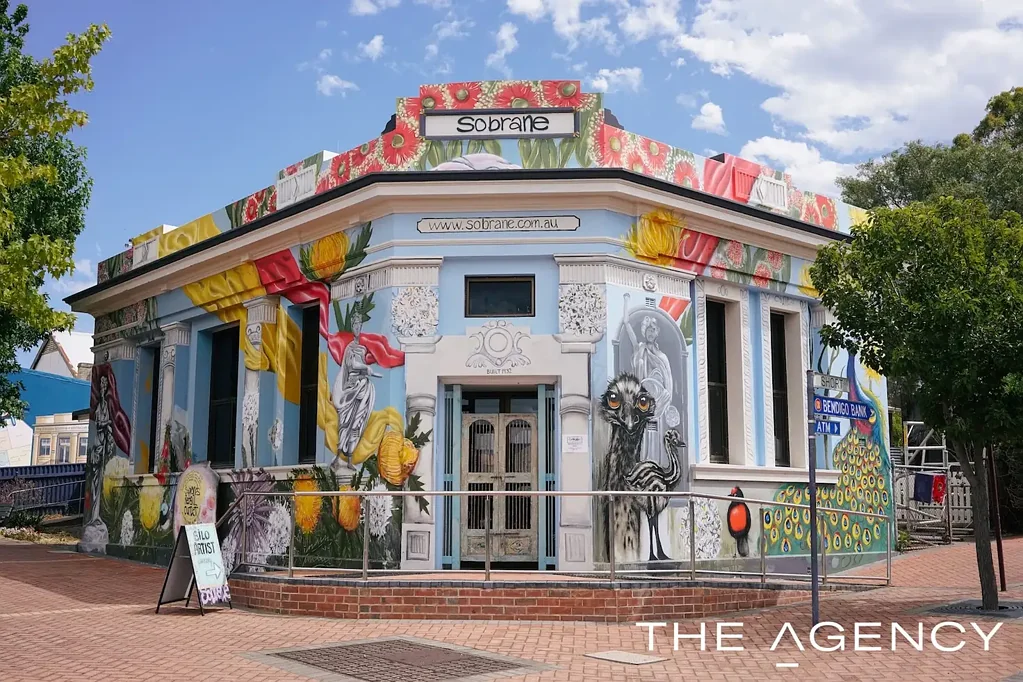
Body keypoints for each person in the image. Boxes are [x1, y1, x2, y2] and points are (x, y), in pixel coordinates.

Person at [622, 294, 675, 464]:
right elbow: (627, 326)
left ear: (657, 333)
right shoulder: (640, 349)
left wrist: (663, 400)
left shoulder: (663, 357)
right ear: (644, 332)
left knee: (655, 435)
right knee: (640, 435)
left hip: (657, 405)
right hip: (640, 401)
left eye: (653, 330)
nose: (651, 333)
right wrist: (626, 303)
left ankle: (655, 466)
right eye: (648, 330)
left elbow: (669, 384)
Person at [333, 313, 382, 464]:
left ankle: (349, 458)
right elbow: (351, 365)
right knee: (345, 422)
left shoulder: (362, 348)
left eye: (358, 325)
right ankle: (338, 456)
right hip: (349, 389)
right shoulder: (350, 348)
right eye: (354, 325)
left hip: (362, 387)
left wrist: (366, 370)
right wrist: (366, 368)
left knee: (357, 421)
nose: (357, 328)